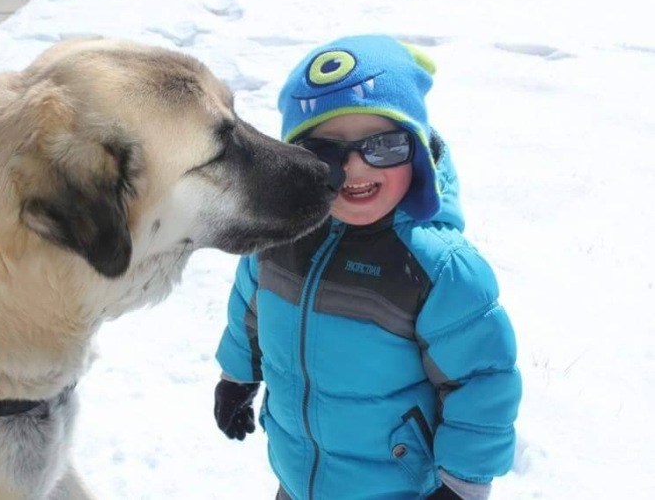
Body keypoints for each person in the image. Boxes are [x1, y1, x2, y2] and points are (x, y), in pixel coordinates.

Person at [213, 35, 522, 500]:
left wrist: (461, 485)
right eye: (328, 153)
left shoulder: (438, 269)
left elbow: (481, 384)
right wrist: (236, 376)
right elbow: (249, 307)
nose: (355, 169)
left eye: (383, 147)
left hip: (394, 488)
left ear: (416, 152)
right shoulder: (281, 237)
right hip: (298, 478)